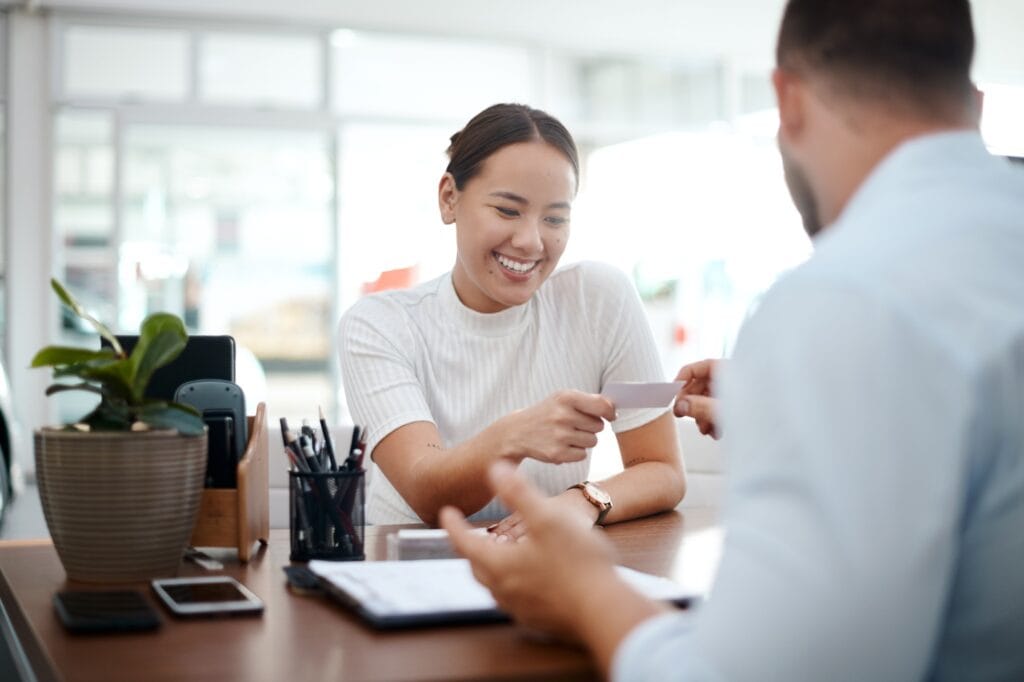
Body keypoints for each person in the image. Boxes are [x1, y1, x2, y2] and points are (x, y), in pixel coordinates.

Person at [442, 0, 1024, 679]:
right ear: (974, 104)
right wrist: (798, 414)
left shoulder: (846, 295)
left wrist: (585, 594)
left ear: (788, 99)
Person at [339, 103, 686, 533]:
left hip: (540, 567)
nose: (530, 241)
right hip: (409, 574)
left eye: (555, 218)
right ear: (450, 198)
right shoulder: (379, 325)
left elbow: (661, 469)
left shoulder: (600, 298)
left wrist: (585, 499)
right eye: (507, 210)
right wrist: (514, 435)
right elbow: (428, 495)